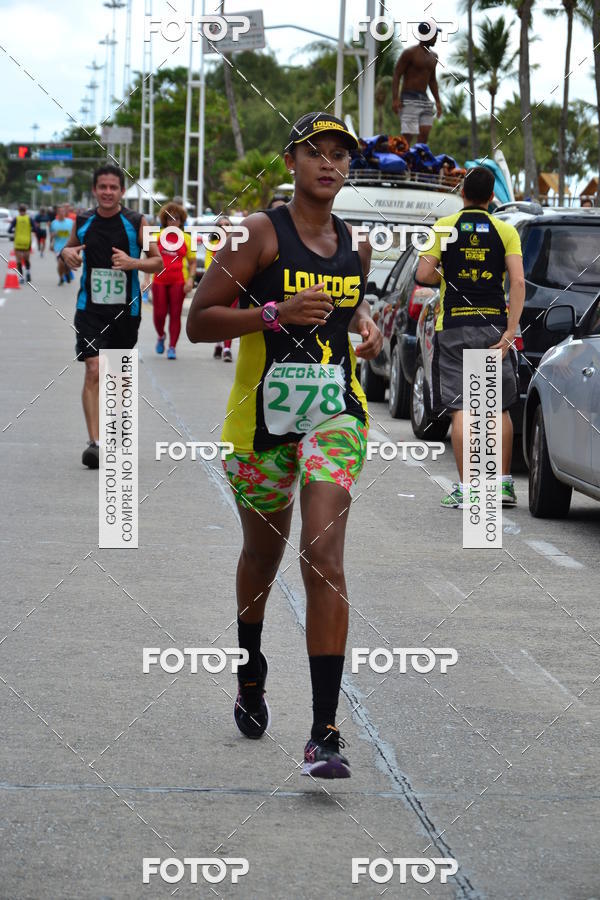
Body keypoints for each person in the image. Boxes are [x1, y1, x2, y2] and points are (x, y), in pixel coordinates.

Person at [187, 112, 383, 779]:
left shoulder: (356, 246)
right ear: (292, 161)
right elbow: (198, 321)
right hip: (260, 426)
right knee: (262, 556)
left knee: (323, 554)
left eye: (340, 155)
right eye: (315, 152)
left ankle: (324, 732)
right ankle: (250, 667)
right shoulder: (258, 233)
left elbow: (345, 311)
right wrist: (273, 314)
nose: (329, 164)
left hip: (334, 417)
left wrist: (364, 325)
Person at [415, 165, 525, 508]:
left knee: (462, 407)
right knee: (496, 407)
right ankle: (502, 486)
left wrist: (449, 274)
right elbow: (518, 282)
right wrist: (510, 331)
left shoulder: (444, 227)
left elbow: (423, 274)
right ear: (492, 197)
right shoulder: (505, 230)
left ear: (462, 193)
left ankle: (470, 489)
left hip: (454, 325)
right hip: (493, 325)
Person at [59, 163, 162, 468]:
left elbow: (158, 261)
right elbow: (67, 252)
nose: (107, 192)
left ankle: (115, 435)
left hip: (126, 311)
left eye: (113, 187)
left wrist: (133, 263)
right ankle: (95, 443)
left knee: (117, 375)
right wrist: (66, 255)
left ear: (121, 191)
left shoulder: (137, 222)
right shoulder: (83, 221)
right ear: (94, 190)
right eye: (102, 187)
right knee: (93, 368)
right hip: (89, 309)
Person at [148, 201, 196, 360]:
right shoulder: (156, 236)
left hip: (178, 281)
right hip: (159, 280)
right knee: (159, 314)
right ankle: (161, 335)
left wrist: (190, 280)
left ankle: (172, 347)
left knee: (175, 315)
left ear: (181, 221)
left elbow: (192, 263)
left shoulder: (187, 239)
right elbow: (148, 258)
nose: (173, 221)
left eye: (176, 218)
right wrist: (146, 279)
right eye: (170, 218)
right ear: (165, 220)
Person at [392, 22, 442, 146]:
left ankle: (418, 157)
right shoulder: (410, 53)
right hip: (409, 97)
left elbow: (432, 80)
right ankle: (403, 157)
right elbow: (397, 74)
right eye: (434, 35)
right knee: (408, 135)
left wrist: (438, 101)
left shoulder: (434, 57)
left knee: (424, 134)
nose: (436, 37)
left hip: (424, 98)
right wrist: (395, 99)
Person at [207, 216, 237, 362]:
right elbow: (208, 265)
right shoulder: (212, 244)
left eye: (227, 224)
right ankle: (219, 343)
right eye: (221, 225)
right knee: (218, 316)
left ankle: (227, 349)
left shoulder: (238, 243)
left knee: (230, 317)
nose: (224, 227)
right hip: (217, 285)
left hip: (233, 284)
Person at [8, 203, 35, 283]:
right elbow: (35, 229)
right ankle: (28, 272)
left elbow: (9, 230)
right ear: (26, 211)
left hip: (18, 242)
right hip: (27, 242)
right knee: (26, 259)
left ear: (19, 211)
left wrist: (15, 231)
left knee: (19, 261)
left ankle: (21, 277)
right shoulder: (29, 219)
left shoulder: (16, 219)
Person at [50, 207, 74, 285]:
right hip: (58, 247)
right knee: (61, 263)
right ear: (57, 213)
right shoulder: (54, 223)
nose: (61, 213)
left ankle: (67, 272)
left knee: (67, 264)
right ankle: (61, 278)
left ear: (65, 213)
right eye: (60, 211)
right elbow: (51, 235)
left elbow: (74, 234)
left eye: (63, 211)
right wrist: (51, 243)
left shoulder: (70, 222)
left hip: (69, 246)